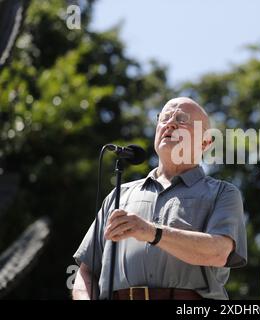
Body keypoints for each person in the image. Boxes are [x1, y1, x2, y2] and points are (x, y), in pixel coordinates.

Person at [72, 97, 247, 300]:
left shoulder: (223, 193)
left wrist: (151, 232)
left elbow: (219, 252)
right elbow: (86, 272)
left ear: (205, 142)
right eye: (164, 118)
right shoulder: (119, 195)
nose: (170, 123)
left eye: (182, 119)